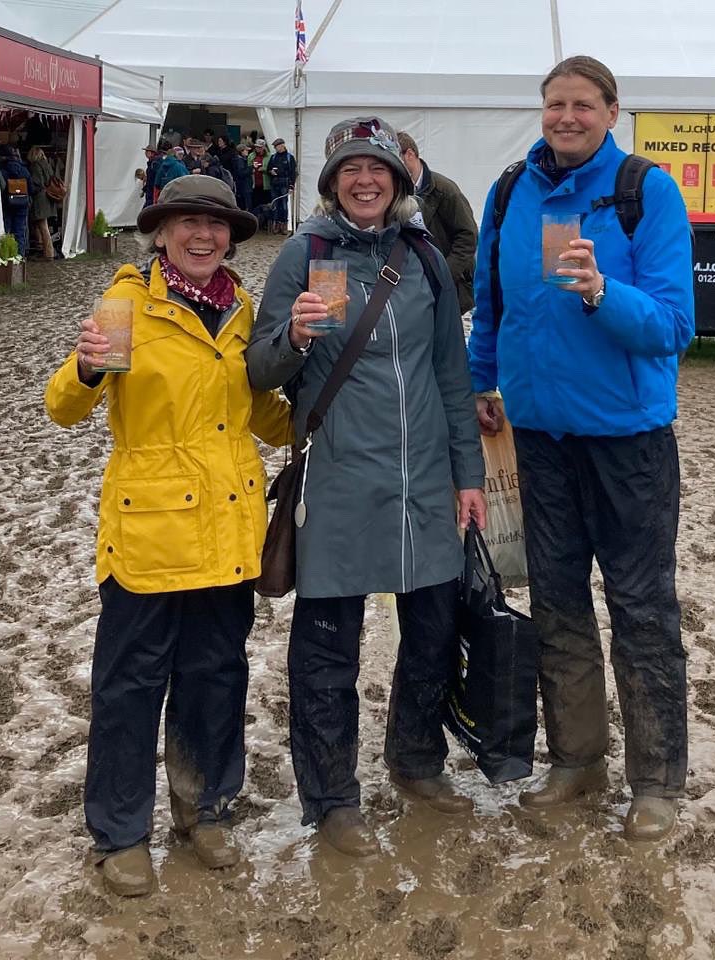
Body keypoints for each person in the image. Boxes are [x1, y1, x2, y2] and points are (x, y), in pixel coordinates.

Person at [44, 176, 293, 897]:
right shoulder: (126, 305)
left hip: (228, 530)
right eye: (188, 222)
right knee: (129, 687)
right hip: (150, 536)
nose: (203, 235)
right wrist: (87, 365)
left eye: (216, 225)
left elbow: (261, 415)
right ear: (160, 232)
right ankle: (121, 834)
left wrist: (324, 405)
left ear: (231, 238)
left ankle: (204, 810)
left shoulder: (243, 311)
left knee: (216, 678)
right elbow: (64, 407)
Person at [246, 117, 486, 858]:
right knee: (328, 650)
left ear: (400, 181)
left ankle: (416, 761)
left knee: (434, 635)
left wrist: (468, 476)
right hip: (342, 480)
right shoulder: (303, 252)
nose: (365, 181)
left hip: (423, 484)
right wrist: (296, 336)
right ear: (331, 181)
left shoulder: (422, 259)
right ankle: (331, 797)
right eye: (350, 169)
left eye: (377, 170)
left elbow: (451, 372)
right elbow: (259, 371)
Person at [468, 56, 694, 841]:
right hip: (537, 439)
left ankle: (657, 781)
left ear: (611, 110)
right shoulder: (509, 192)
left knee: (641, 610)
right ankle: (578, 762)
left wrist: (603, 293)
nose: (567, 118)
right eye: (554, 105)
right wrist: (480, 388)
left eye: (582, 106)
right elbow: (490, 311)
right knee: (557, 604)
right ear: (542, 111)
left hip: (628, 442)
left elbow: (673, 326)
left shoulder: (645, 190)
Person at [397, 132, 478, 315]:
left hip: (450, 290)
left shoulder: (445, 190)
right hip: (411, 289)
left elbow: (468, 236)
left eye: (394, 159)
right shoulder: (395, 191)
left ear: (409, 154)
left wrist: (444, 274)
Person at [0, 146, 33, 257]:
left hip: (7, 204)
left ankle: (6, 256)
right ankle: (19, 257)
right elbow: (31, 189)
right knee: (19, 232)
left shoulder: (2, 170)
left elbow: (1, 186)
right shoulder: (25, 170)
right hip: (22, 204)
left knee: (6, 231)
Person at [26, 146, 56, 260]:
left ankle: (49, 253)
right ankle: (44, 251)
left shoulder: (35, 166)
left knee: (43, 226)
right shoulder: (46, 164)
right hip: (47, 198)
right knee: (42, 225)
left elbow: (37, 182)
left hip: (40, 198)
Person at [266, 137, 298, 234]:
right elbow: (268, 169)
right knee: (275, 205)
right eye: (275, 147)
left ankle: (284, 225)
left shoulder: (290, 158)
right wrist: (270, 172)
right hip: (274, 184)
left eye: (277, 146)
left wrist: (291, 186)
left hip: (285, 184)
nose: (276, 148)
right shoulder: (273, 157)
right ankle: (276, 225)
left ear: (282, 145)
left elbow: (293, 173)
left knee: (284, 206)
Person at [142, 140, 166, 208]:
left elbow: (156, 177)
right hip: (151, 191)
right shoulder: (152, 163)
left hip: (153, 192)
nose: (145, 153)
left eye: (147, 151)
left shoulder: (155, 163)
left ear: (152, 153)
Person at [248, 138, 271, 209]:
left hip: (265, 184)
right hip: (254, 183)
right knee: (255, 203)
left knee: (265, 204)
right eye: (256, 147)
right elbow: (248, 166)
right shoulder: (251, 155)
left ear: (263, 147)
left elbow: (271, 167)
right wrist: (252, 168)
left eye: (259, 147)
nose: (257, 148)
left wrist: (264, 169)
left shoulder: (269, 156)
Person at [233, 145, 253, 211]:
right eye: (246, 150)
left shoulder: (239, 160)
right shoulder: (240, 160)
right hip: (245, 186)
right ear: (241, 151)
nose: (247, 151)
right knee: (247, 204)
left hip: (243, 185)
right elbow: (241, 173)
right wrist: (251, 168)